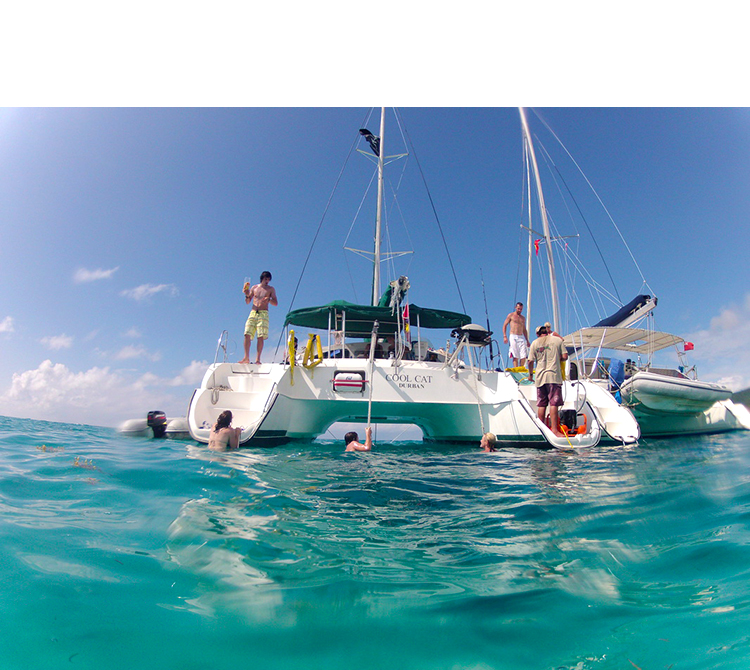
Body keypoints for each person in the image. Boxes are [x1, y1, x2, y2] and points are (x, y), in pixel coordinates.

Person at [527, 324, 569, 437]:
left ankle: (542, 430)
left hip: (540, 377)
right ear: (547, 331)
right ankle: (554, 430)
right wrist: (556, 357)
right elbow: (565, 356)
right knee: (553, 403)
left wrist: (531, 375)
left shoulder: (534, 343)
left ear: (537, 334)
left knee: (542, 404)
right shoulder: (557, 340)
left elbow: (530, 361)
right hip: (553, 376)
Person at [239, 271, 278, 364]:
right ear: (262, 279)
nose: (267, 281)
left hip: (263, 313)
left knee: (260, 336)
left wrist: (269, 299)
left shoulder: (271, 289)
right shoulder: (254, 288)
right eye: (266, 279)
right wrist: (246, 294)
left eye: (268, 279)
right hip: (253, 311)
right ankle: (246, 357)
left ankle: (258, 359)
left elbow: (275, 303)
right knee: (247, 333)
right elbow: (248, 301)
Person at [502, 302, 530, 367]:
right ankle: (516, 368)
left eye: (521, 309)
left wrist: (527, 340)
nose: (519, 310)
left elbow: (524, 330)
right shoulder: (511, 315)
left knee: (523, 355)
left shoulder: (523, 318)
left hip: (521, 336)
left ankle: (521, 368)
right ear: (515, 308)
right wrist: (504, 336)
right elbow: (504, 325)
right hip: (513, 335)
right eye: (518, 309)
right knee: (515, 354)